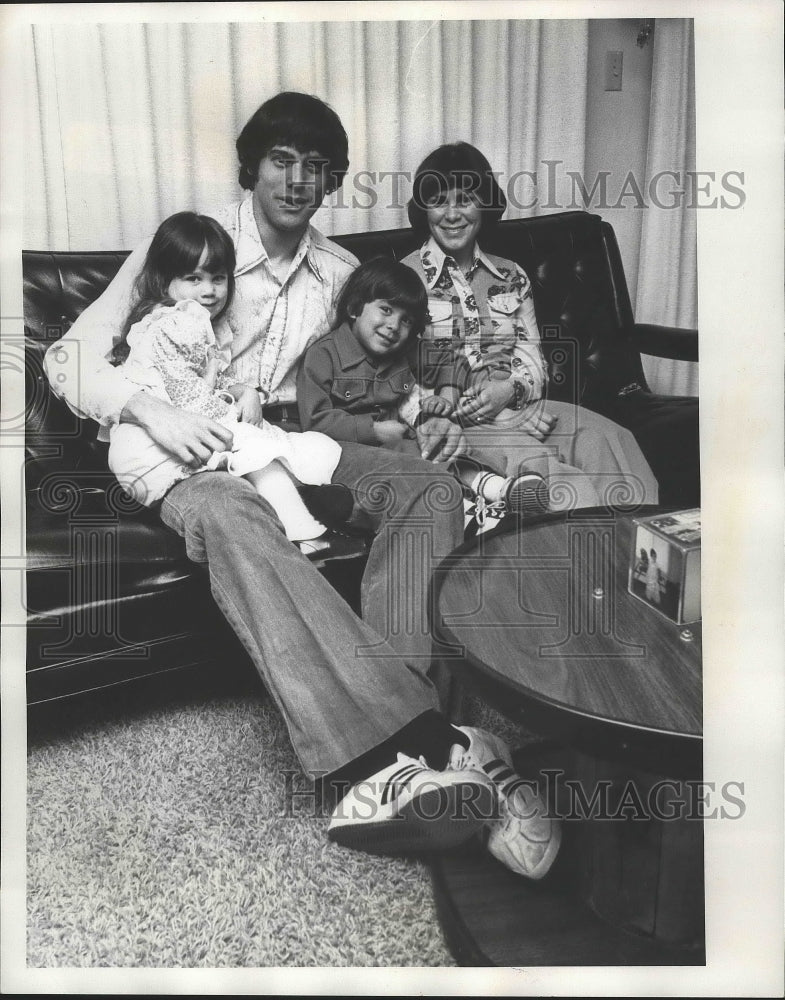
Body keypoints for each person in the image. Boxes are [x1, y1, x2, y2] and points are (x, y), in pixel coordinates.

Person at [44, 92, 560, 880]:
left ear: (330, 182)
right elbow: (66, 358)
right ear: (253, 166)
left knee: (428, 489)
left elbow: (376, 379)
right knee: (233, 507)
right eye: (282, 161)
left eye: (315, 167)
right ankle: (431, 747)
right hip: (191, 457)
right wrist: (150, 408)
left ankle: (407, 743)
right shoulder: (192, 247)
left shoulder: (342, 271)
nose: (296, 180)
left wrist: (430, 418)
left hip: (291, 443)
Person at [401, 142, 660, 511]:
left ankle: (644, 558)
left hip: (520, 405)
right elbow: (393, 376)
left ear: (485, 205)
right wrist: (470, 411)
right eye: (439, 200)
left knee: (610, 439)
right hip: (453, 423)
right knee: (553, 475)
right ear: (423, 209)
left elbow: (531, 359)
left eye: (465, 199)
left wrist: (511, 393)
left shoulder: (511, 275)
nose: (452, 213)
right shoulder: (402, 279)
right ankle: (589, 562)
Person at [108, 210, 341, 549]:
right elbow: (185, 393)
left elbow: (205, 380)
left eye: (218, 278)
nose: (209, 291)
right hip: (158, 443)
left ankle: (303, 497)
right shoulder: (175, 324)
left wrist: (240, 390)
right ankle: (300, 526)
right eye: (194, 279)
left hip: (185, 426)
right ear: (165, 281)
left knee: (272, 447)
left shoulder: (199, 324)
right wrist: (233, 416)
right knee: (257, 447)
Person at [297, 256, 550, 523]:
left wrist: (446, 395)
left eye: (406, 320)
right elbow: (315, 422)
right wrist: (373, 430)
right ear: (355, 307)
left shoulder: (404, 349)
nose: (394, 326)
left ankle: (497, 488)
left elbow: (452, 362)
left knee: (445, 446)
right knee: (413, 459)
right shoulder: (322, 355)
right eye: (385, 310)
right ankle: (471, 512)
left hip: (406, 438)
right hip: (353, 455)